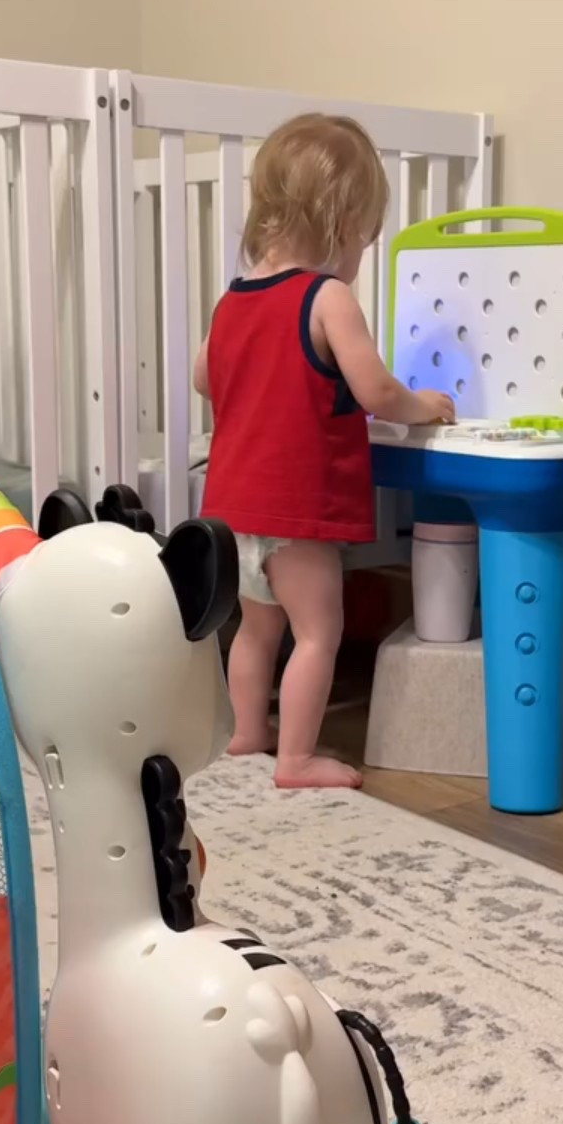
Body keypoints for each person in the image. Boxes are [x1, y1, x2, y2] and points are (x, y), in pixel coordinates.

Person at [196, 112, 455, 788]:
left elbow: (204, 376)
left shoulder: (233, 301)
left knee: (255, 631)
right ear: (343, 228)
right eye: (366, 240)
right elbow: (374, 390)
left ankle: (250, 731)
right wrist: (423, 404)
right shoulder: (328, 297)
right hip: (296, 511)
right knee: (317, 632)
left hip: (234, 508)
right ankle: (297, 759)